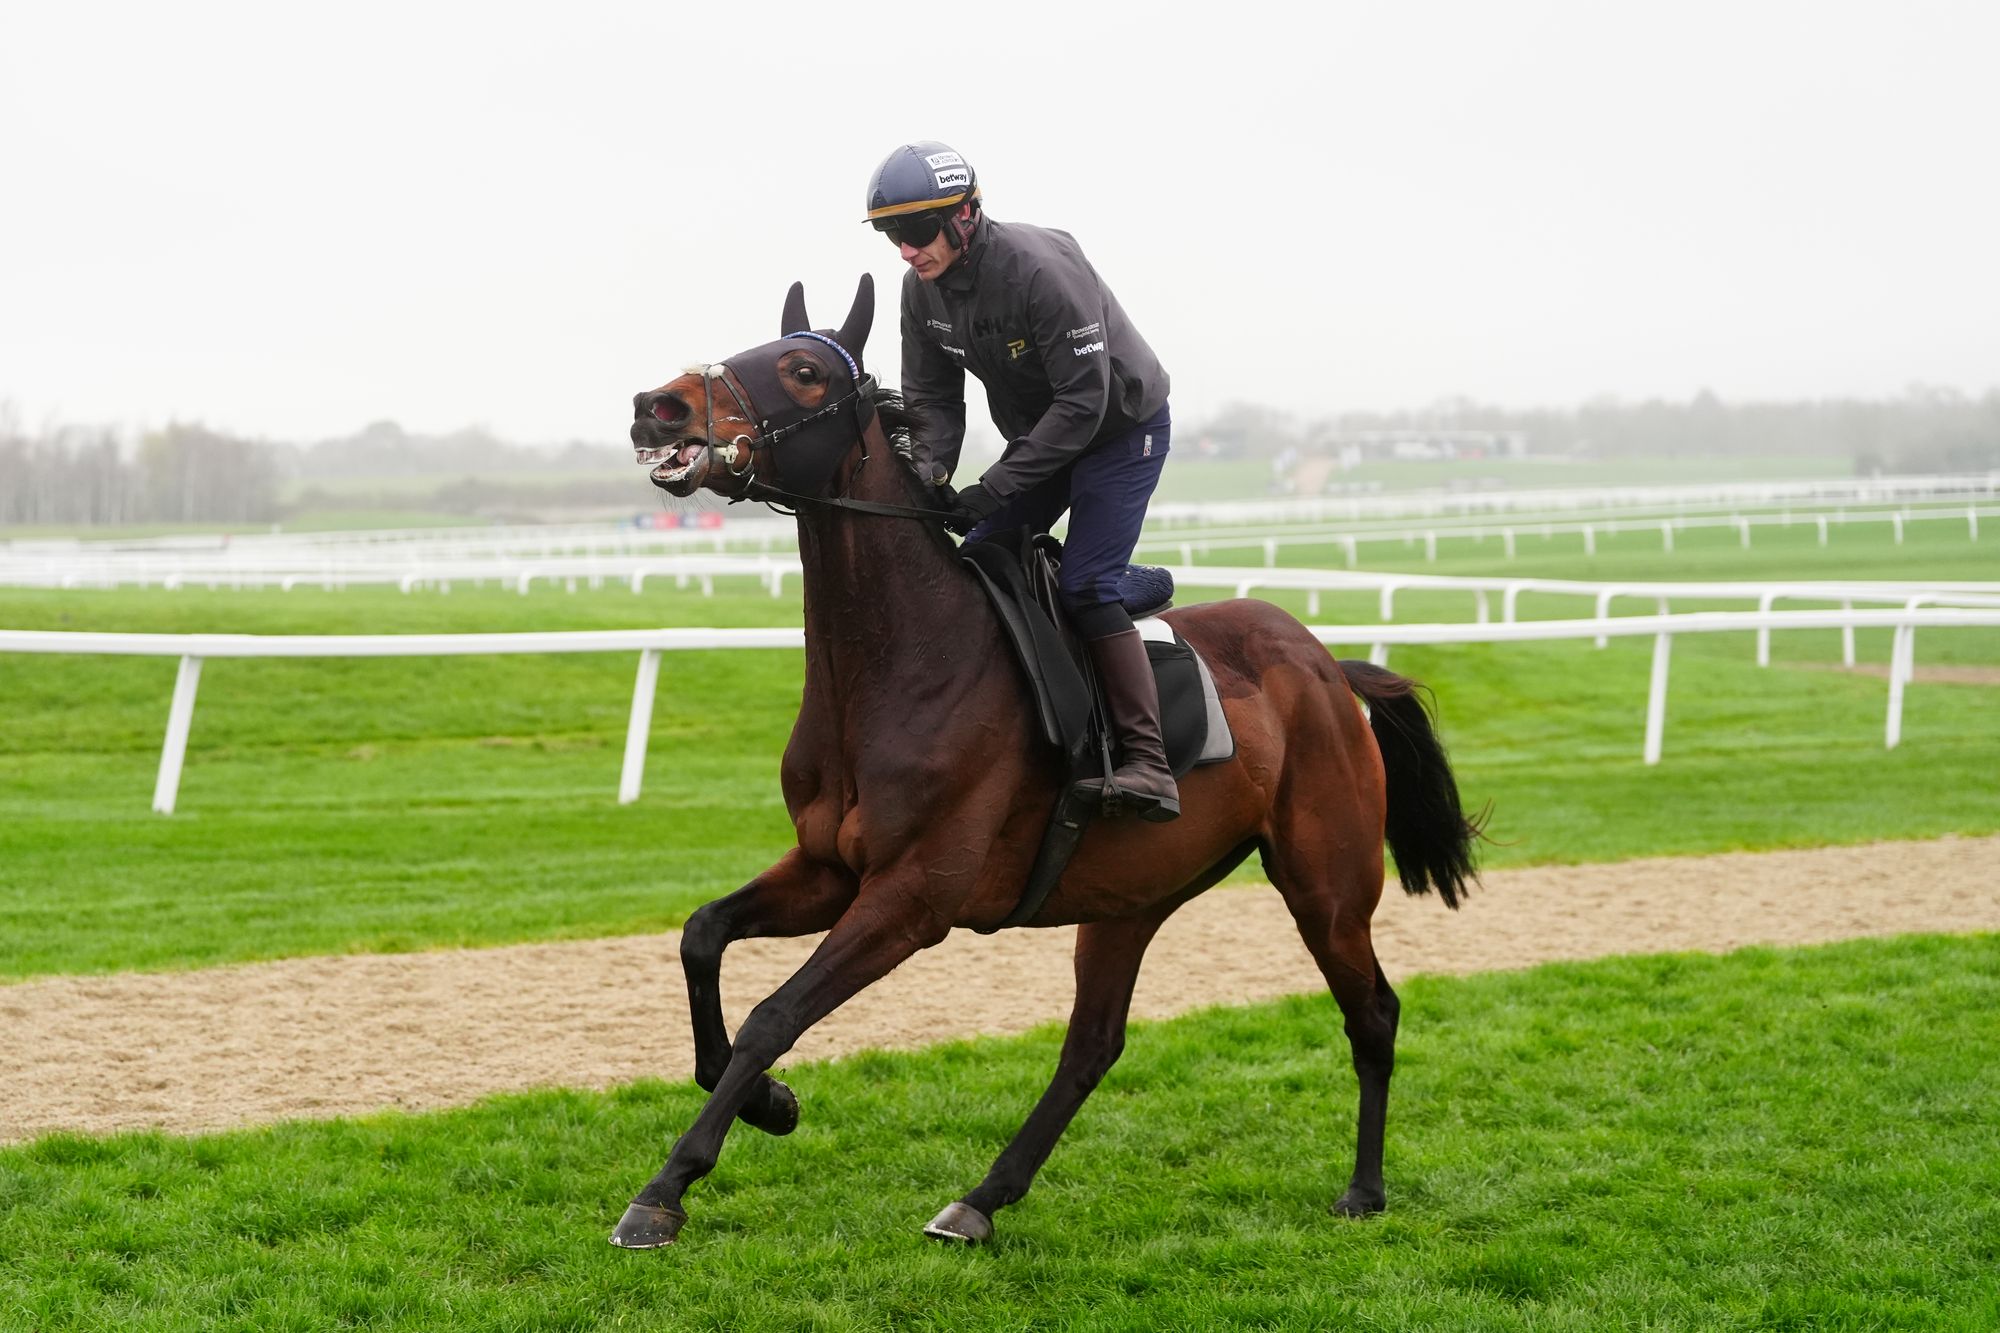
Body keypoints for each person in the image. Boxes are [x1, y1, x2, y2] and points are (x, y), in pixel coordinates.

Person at [862, 139, 1179, 822]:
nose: (906, 250)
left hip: (1121, 429)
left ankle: (1148, 762)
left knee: (1087, 587)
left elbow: (1083, 403)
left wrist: (996, 484)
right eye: (892, 234)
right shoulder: (921, 294)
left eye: (916, 230)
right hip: (1046, 438)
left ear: (966, 214)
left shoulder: (1038, 271)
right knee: (979, 553)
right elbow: (933, 402)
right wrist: (933, 474)